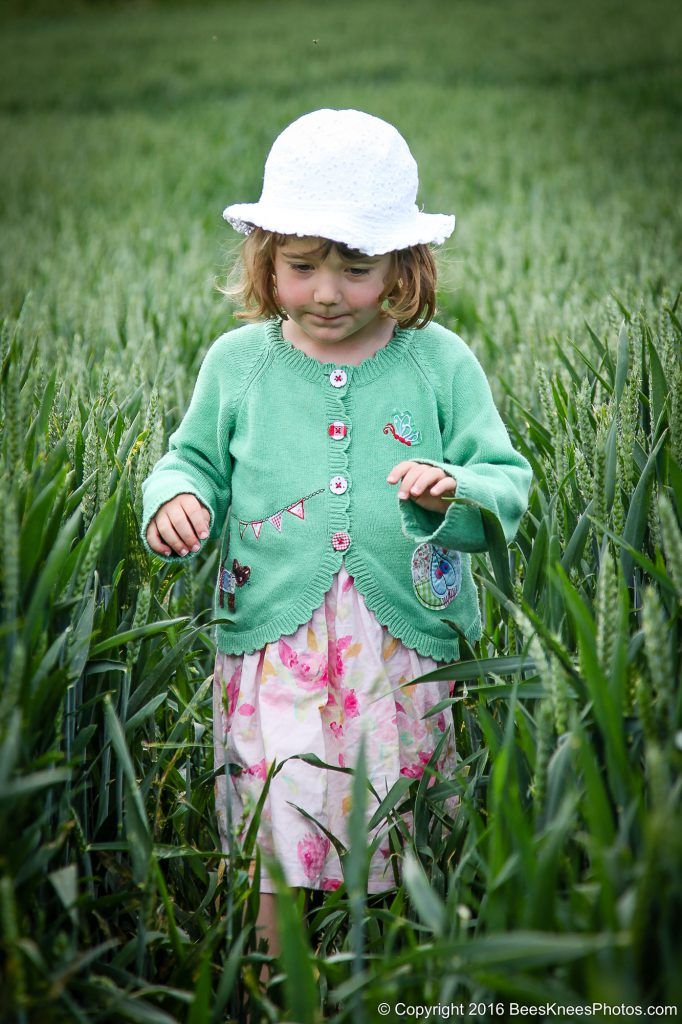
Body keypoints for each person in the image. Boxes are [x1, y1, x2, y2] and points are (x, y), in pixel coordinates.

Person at [140, 108, 532, 972]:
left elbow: (507, 481)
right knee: (281, 795)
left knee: (404, 798)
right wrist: (174, 500)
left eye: (355, 269)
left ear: (403, 265)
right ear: (265, 258)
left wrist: (454, 490)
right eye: (302, 266)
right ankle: (281, 977)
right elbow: (188, 461)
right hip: (279, 640)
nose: (326, 292)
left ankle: (408, 957)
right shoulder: (237, 365)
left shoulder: (440, 364)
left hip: (399, 645)